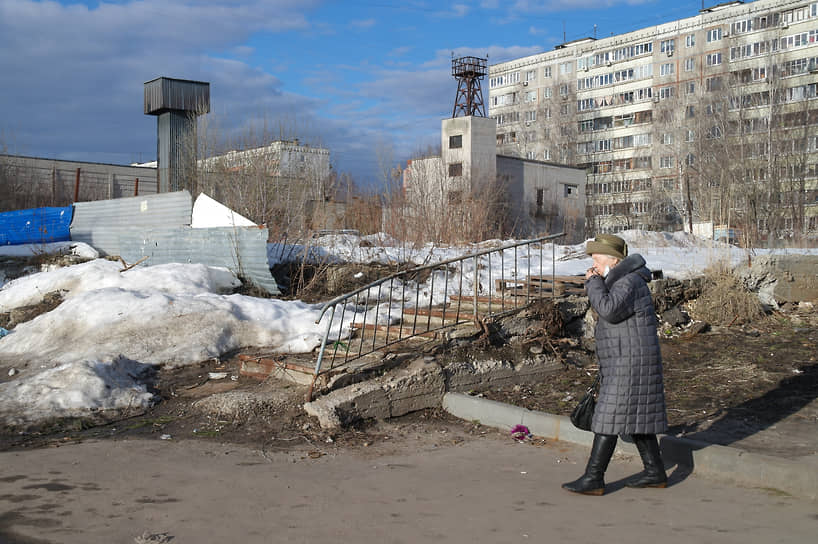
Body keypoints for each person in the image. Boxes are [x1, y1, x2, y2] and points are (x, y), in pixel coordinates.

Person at [562, 233, 668, 496]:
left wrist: (594, 283)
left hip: (629, 363)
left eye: (597, 261)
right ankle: (655, 472)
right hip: (627, 361)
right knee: (637, 418)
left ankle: (593, 478)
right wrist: (599, 281)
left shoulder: (628, 282)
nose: (594, 267)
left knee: (608, 417)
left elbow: (608, 309)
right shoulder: (623, 280)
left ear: (613, 259)